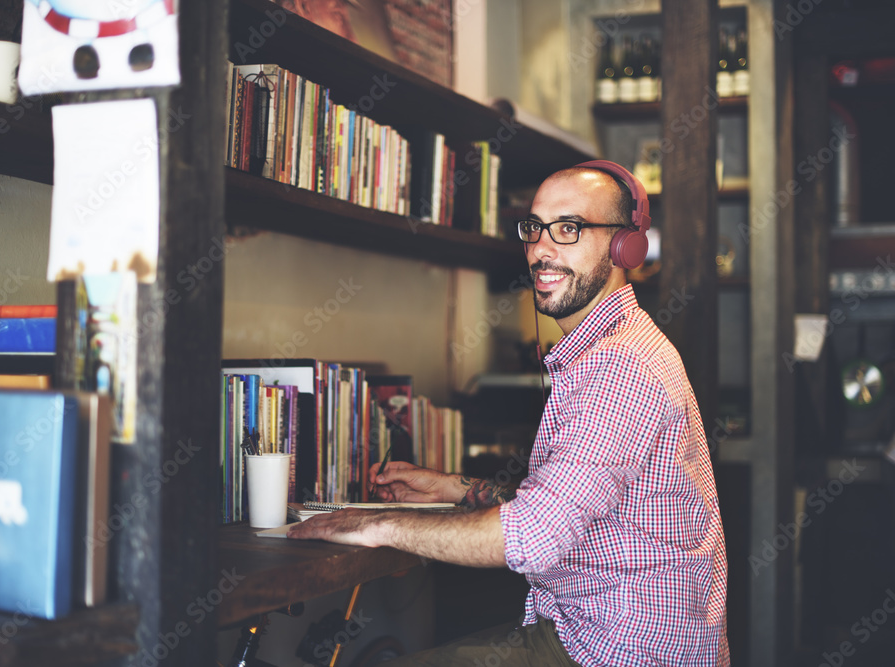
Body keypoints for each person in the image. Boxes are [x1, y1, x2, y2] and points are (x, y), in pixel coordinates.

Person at [288, 161, 730, 666]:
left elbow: (534, 536)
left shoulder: (622, 365)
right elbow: (577, 503)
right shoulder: (609, 349)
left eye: (569, 229)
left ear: (626, 246)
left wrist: (376, 525)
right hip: (596, 633)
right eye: (534, 229)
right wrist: (452, 488)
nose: (541, 250)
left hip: (614, 651)